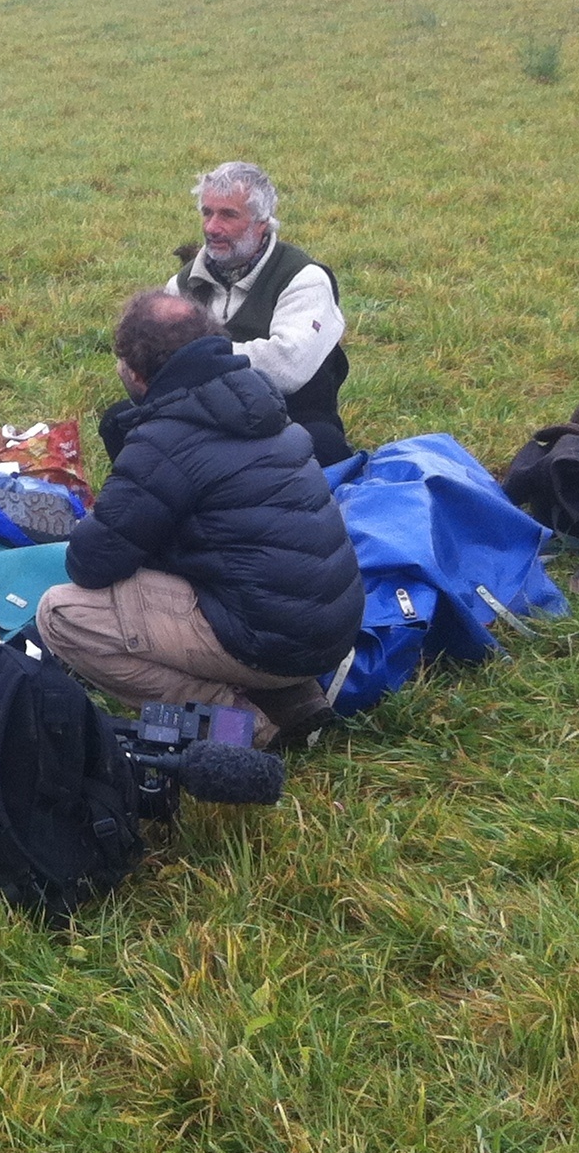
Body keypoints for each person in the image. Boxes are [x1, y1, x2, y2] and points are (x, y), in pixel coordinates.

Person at [38, 290, 361, 751]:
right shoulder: (259, 399)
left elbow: (90, 563)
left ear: (135, 372)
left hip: (273, 641)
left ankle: (242, 727)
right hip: (331, 628)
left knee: (61, 613)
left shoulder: (166, 438)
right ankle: (292, 697)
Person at [163, 160, 353, 467]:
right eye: (207, 212)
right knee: (121, 422)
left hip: (287, 422)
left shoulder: (303, 279)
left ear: (262, 222)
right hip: (205, 420)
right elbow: (152, 361)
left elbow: (287, 366)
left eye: (228, 215)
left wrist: (194, 359)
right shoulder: (183, 285)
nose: (211, 227)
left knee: (323, 445)